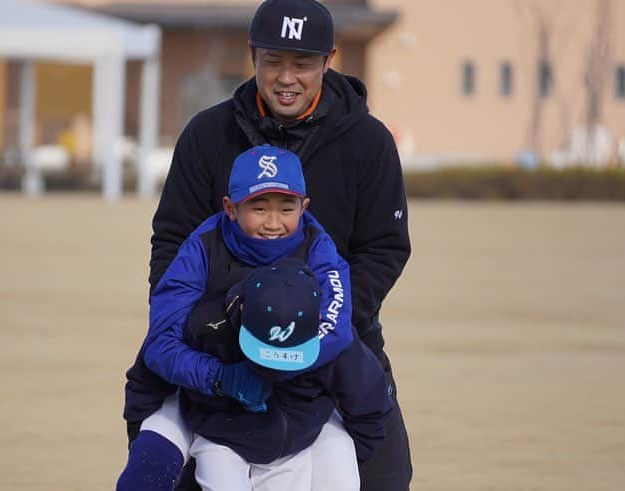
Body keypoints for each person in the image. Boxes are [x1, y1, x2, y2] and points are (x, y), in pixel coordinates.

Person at [126, 0, 414, 488]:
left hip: (334, 336)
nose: (287, 77)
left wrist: (312, 322)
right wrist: (208, 326)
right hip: (216, 341)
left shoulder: (368, 142)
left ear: (329, 60)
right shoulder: (207, 134)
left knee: (382, 472)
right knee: (165, 463)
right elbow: (172, 240)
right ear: (252, 56)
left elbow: (383, 250)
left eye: (303, 63)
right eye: (273, 61)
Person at [118, 145, 392, 490]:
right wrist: (221, 377)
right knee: (154, 468)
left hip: (299, 404)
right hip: (209, 389)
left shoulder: (320, 248)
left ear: (304, 207)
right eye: (259, 208)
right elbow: (160, 343)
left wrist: (275, 364)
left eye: (286, 208)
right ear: (231, 208)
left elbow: (334, 329)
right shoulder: (201, 249)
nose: (273, 223)